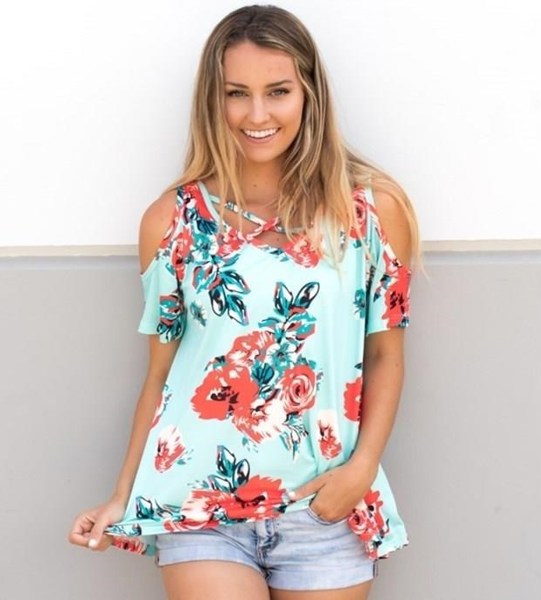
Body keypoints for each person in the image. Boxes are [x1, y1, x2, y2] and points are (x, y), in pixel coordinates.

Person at [68, 5, 419, 599]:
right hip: (198, 504)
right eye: (237, 94)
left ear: (309, 94)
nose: (257, 115)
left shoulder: (372, 213)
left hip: (325, 504)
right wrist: (122, 494)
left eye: (277, 91)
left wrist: (360, 471)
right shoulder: (171, 221)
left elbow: (385, 353)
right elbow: (162, 377)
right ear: (214, 100)